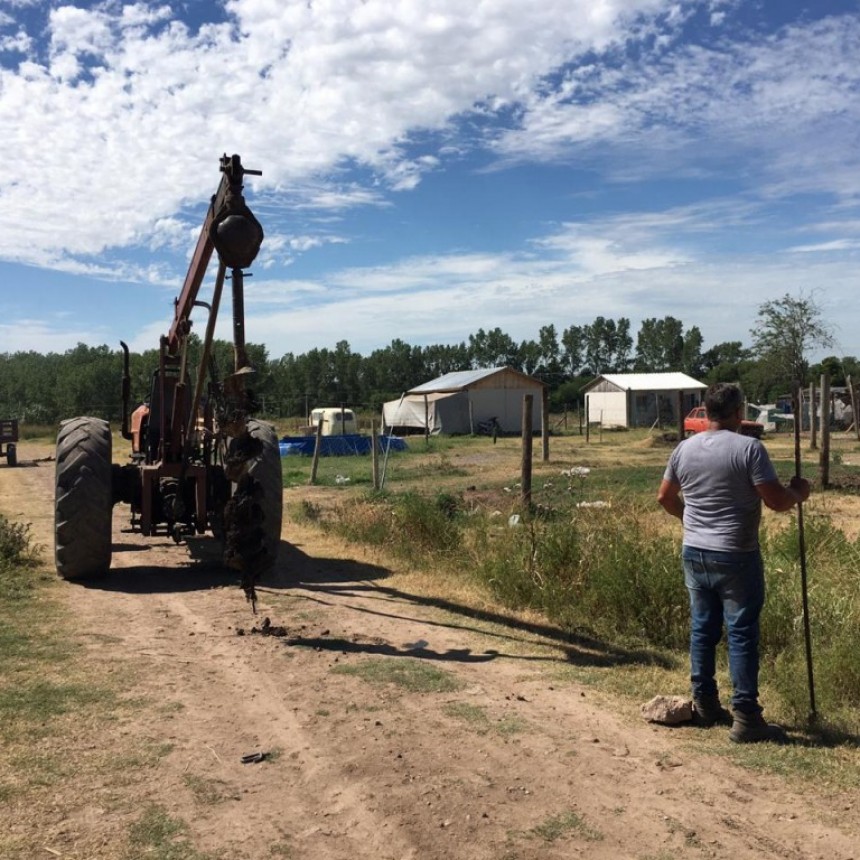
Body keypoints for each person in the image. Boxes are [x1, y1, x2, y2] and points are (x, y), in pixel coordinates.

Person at [657, 382, 810, 743]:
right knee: (741, 633)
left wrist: (689, 520)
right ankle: (746, 716)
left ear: (707, 412)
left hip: (695, 552)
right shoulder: (749, 449)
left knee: (703, 627)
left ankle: (706, 703)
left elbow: (664, 497)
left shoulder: (684, 449)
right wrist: (799, 493)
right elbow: (775, 501)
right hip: (736, 554)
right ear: (739, 412)